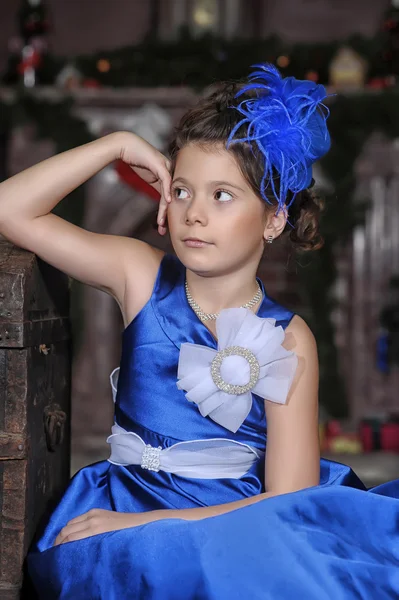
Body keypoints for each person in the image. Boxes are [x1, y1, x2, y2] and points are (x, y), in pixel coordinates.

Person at [0, 64, 398, 599]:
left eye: (223, 195)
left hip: (234, 520)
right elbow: (8, 210)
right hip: (123, 499)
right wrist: (114, 146)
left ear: (274, 219)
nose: (194, 215)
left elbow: (291, 498)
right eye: (183, 191)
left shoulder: (288, 337)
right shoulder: (139, 275)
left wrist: (146, 527)